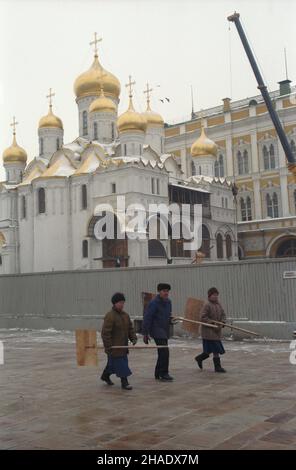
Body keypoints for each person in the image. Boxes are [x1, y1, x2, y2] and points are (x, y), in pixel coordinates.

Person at [101, 293, 137, 390]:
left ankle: (105, 376)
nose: (122, 304)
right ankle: (124, 382)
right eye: (120, 302)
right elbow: (105, 333)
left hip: (123, 347)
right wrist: (108, 346)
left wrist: (133, 338)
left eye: (123, 302)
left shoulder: (125, 315)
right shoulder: (110, 316)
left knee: (112, 365)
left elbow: (130, 328)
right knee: (122, 365)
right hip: (114, 347)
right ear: (114, 303)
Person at [142, 283, 174, 381]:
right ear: (159, 292)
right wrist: (145, 333)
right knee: (164, 351)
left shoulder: (168, 302)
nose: (166, 293)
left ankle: (158, 373)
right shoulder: (154, 303)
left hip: (164, 330)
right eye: (164, 291)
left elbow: (168, 316)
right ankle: (163, 373)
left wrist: (171, 320)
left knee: (162, 352)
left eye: (167, 291)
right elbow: (147, 318)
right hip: (156, 330)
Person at [195, 287, 227, 373]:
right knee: (215, 349)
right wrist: (212, 323)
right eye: (214, 295)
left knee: (208, 351)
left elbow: (223, 314)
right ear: (209, 296)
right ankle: (217, 367)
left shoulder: (218, 304)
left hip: (216, 331)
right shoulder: (207, 305)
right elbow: (203, 317)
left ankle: (199, 358)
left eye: (217, 295)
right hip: (208, 332)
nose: (215, 297)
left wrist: (223, 322)